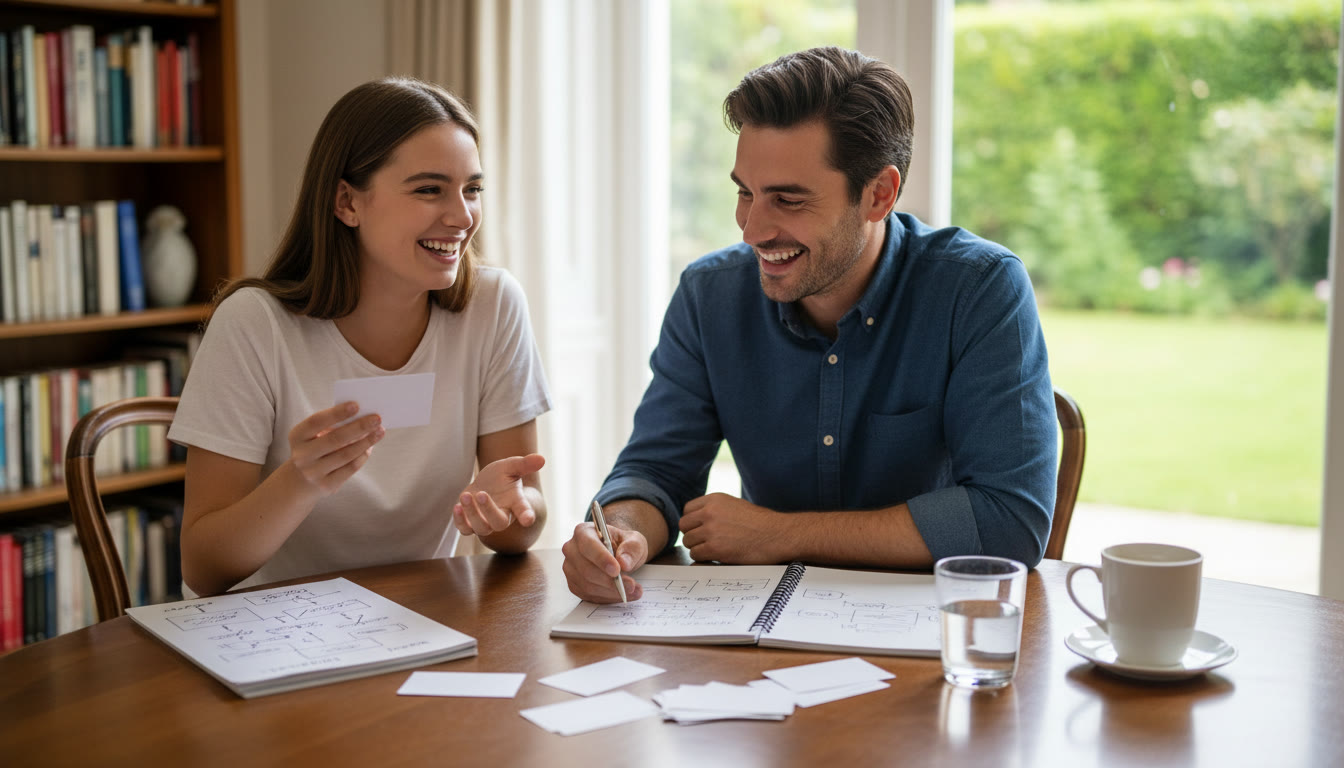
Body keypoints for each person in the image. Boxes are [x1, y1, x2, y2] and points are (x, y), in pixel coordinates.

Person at [562, 47, 1056, 603]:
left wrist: (779, 533)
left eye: (788, 200)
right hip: (762, 643)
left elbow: (1010, 518)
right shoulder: (709, 296)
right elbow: (655, 471)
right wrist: (622, 532)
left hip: (928, 634)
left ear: (879, 194)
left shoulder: (978, 289)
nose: (752, 230)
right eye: (745, 193)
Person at [169, 77, 552, 597]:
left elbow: (522, 517)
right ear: (347, 203)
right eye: (428, 189)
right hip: (272, 634)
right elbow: (203, 568)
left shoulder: (494, 306)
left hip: (423, 620)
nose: (463, 217)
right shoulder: (254, 324)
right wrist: (299, 481)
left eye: (473, 189)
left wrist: (511, 510)